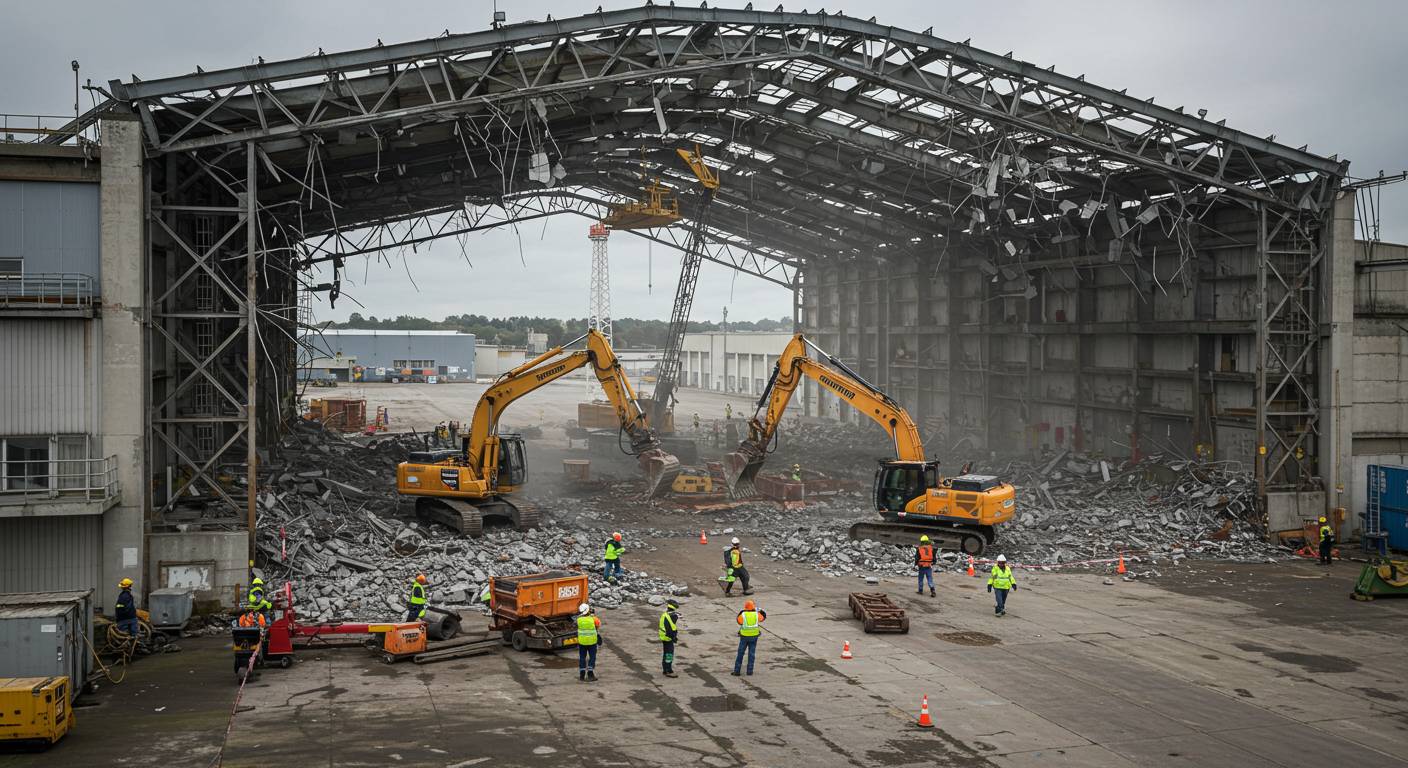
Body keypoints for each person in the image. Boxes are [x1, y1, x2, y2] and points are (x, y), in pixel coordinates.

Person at [732, 599, 766, 676]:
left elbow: (738, 621)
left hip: (744, 637)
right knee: (752, 654)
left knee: (740, 653)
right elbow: (764, 617)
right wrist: (760, 610)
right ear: (753, 607)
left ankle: (737, 671)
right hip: (754, 637)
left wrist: (742, 611)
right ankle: (749, 671)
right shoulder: (757, 615)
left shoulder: (743, 615)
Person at [576, 602, 601, 682]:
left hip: (582, 642)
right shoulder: (594, 619)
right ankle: (590, 673)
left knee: (582, 657)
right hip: (592, 642)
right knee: (592, 657)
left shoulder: (578, 620)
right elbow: (598, 625)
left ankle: (582, 674)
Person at [658, 599, 681, 678]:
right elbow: (669, 629)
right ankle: (668, 670)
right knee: (669, 654)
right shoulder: (671, 616)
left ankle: (666, 669)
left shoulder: (666, 615)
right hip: (667, 637)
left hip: (665, 636)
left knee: (667, 653)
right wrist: (673, 637)